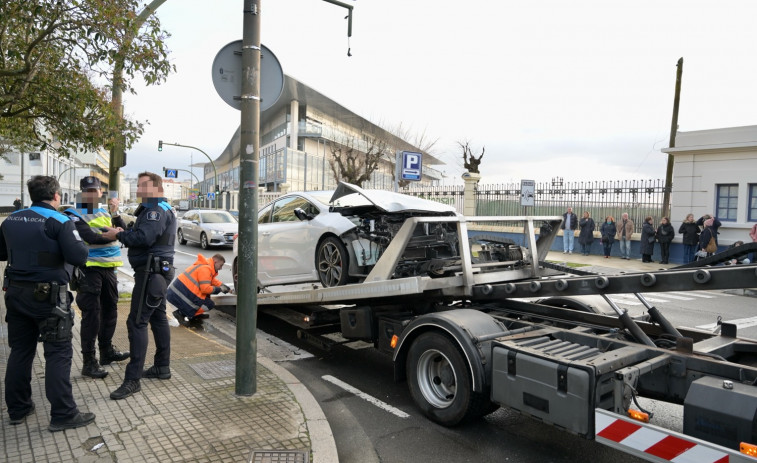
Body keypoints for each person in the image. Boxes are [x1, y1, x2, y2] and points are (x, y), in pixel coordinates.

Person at [0, 175, 96, 431]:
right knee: (58, 353)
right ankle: (63, 413)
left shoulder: (11, 219)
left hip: (16, 294)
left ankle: (18, 409)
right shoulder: (59, 220)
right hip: (50, 297)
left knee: (20, 351)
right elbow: (78, 255)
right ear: (56, 196)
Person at [101, 172, 176, 400]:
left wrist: (119, 235)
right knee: (158, 318)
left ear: (155, 187)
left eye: (142, 185)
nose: (138, 189)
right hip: (156, 274)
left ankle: (132, 380)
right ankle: (162, 367)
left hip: (150, 274)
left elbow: (142, 238)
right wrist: (117, 220)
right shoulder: (156, 208)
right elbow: (134, 232)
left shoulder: (155, 210)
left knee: (136, 323)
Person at [62, 177, 129, 379]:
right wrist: (114, 234)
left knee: (110, 311)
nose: (92, 194)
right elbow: (89, 236)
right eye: (87, 190)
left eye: (95, 190)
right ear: (82, 192)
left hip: (109, 269)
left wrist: (115, 215)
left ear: (101, 192)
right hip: (89, 270)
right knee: (92, 315)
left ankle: (106, 351)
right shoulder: (73, 213)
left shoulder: (103, 211)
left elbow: (123, 229)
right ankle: (89, 361)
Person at [167, 253, 230, 324]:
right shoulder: (205, 269)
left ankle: (195, 314)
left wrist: (222, 285)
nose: (221, 268)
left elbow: (211, 280)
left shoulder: (206, 265)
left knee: (206, 297)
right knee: (209, 304)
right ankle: (181, 313)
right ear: (215, 262)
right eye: (220, 265)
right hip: (180, 294)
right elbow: (205, 289)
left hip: (179, 292)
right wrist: (220, 289)